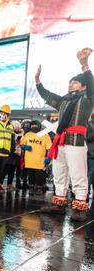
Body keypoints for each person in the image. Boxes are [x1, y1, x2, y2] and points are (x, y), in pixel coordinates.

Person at [35, 48, 94, 221]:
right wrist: (38, 81)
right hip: (60, 142)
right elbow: (47, 95)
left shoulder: (87, 99)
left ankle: (80, 207)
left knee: (78, 174)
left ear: (83, 86)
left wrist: (84, 65)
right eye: (69, 82)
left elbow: (92, 85)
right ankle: (59, 204)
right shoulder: (63, 101)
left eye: (74, 82)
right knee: (59, 172)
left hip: (76, 142)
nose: (70, 85)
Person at [20, 120, 52, 196]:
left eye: (35, 126)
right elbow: (21, 144)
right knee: (30, 174)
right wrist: (25, 147)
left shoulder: (45, 135)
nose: (34, 127)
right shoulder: (28, 135)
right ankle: (31, 187)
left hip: (40, 160)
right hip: (29, 160)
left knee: (39, 175)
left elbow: (49, 148)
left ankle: (39, 188)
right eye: (32, 126)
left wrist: (48, 157)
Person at [3, 120, 23, 191]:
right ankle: (0, 184)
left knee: (13, 170)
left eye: (18, 128)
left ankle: (10, 184)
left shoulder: (22, 133)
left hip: (18, 154)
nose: (17, 129)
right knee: (6, 169)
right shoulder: (9, 133)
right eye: (15, 128)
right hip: (10, 153)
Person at [87, 114, 94, 201]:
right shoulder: (88, 125)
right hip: (90, 155)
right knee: (90, 175)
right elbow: (87, 138)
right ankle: (86, 192)